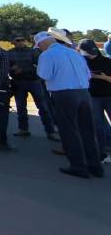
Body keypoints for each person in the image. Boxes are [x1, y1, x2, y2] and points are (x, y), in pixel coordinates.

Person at [35, 32, 104, 178]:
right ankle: (95, 166)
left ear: (42, 43)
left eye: (39, 45)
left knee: (69, 130)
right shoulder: (75, 53)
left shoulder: (46, 55)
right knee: (87, 130)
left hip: (64, 93)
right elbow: (88, 74)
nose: (39, 48)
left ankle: (78, 166)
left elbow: (44, 75)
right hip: (84, 92)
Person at [7, 36, 59, 141]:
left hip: (34, 81)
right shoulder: (9, 53)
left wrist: (24, 70)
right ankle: (23, 129)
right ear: (13, 41)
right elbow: (6, 67)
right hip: (18, 82)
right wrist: (12, 70)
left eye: (22, 39)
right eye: (17, 40)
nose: (21, 42)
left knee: (43, 107)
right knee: (21, 107)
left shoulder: (32, 52)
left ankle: (50, 131)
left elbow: (40, 66)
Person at [77, 39, 111, 163]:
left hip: (108, 95)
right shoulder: (82, 61)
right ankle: (102, 151)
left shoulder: (107, 61)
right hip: (92, 96)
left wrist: (100, 76)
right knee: (98, 125)